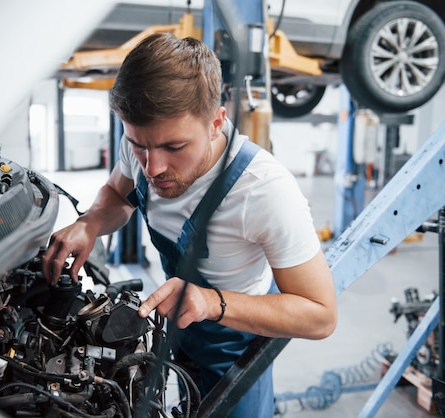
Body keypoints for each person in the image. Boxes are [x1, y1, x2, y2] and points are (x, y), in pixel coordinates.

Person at [42, 32, 337, 417]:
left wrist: (209, 301)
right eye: (138, 146)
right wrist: (91, 221)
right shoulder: (146, 145)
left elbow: (320, 314)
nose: (152, 167)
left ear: (216, 122)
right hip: (179, 338)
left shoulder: (264, 192)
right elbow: (118, 193)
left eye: (173, 148)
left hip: (232, 355)